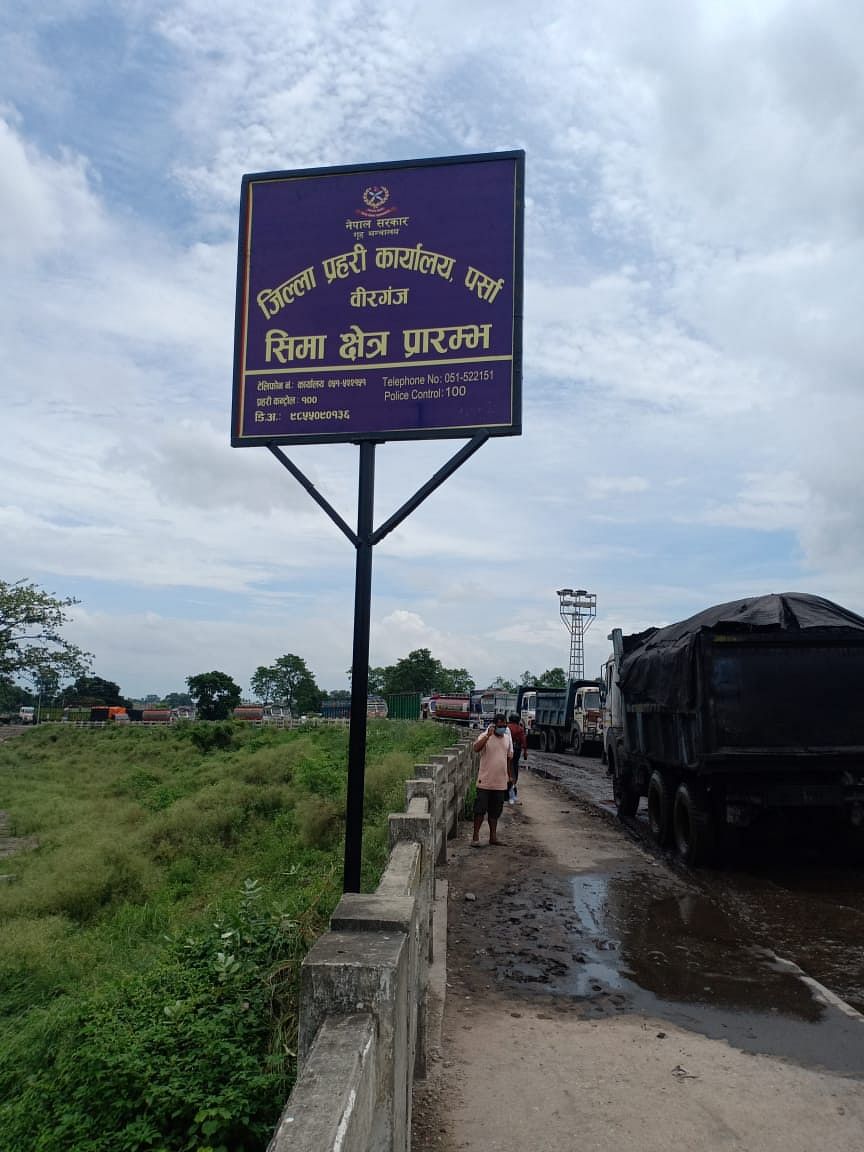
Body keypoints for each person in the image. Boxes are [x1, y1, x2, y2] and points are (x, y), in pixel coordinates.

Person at [471, 712, 513, 846]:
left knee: (495, 812)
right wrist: (488, 736)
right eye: (500, 726)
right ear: (494, 725)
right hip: (485, 781)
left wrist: (510, 776)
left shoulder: (507, 738)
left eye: (504, 725)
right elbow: (476, 748)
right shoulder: (485, 736)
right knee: (480, 810)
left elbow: (508, 758)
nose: (503, 728)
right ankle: (475, 837)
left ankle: (493, 837)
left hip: (500, 783)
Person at [507, 712, 528, 803]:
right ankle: (513, 784)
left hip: (506, 749)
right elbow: (523, 741)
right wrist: (525, 752)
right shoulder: (520, 729)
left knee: (507, 766)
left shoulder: (507, 727)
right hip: (516, 750)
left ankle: (507, 783)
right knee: (515, 766)